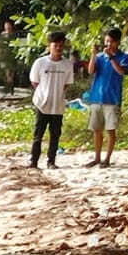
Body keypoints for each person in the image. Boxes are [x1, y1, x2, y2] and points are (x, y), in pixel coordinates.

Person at [27, 31, 76, 170]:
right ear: (49, 45)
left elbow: (67, 84)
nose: (58, 48)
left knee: (55, 135)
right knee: (38, 134)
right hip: (42, 103)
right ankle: (33, 161)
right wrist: (45, 92)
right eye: (56, 45)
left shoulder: (67, 65)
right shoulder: (40, 63)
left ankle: (51, 161)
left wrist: (56, 92)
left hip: (58, 105)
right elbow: (35, 82)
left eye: (61, 45)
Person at [84, 27, 128, 168]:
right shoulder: (100, 57)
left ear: (117, 42)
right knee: (97, 130)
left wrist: (111, 57)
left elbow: (122, 72)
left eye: (111, 41)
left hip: (112, 99)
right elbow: (91, 71)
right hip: (96, 98)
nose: (108, 44)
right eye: (106, 41)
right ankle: (97, 157)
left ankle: (107, 159)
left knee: (111, 130)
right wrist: (93, 55)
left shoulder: (125, 57)